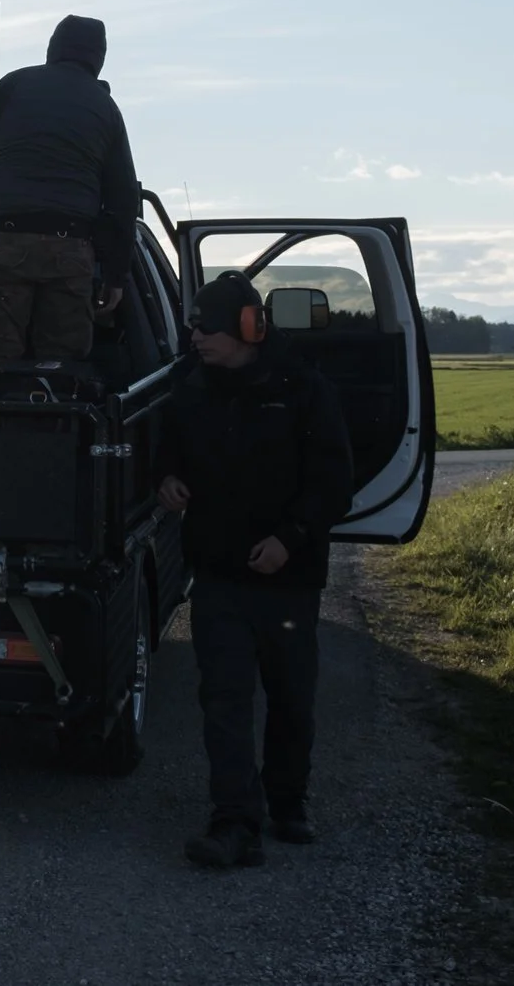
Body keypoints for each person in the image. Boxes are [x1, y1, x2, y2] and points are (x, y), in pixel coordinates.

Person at [154, 271, 355, 870]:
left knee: (291, 698)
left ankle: (287, 803)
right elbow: (164, 447)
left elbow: (334, 482)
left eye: (205, 328)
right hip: (218, 574)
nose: (194, 338)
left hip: (288, 579)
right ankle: (234, 820)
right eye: (192, 326)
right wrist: (164, 478)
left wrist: (289, 540)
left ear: (248, 328)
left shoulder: (304, 389)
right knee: (225, 699)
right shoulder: (190, 385)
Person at [0, 14, 139, 364]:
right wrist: (115, 276)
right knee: (62, 363)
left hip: (3, 241)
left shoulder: (12, 86)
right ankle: (55, 409)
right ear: (99, 57)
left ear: (53, 48)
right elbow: (123, 197)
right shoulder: (105, 107)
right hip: (70, 247)